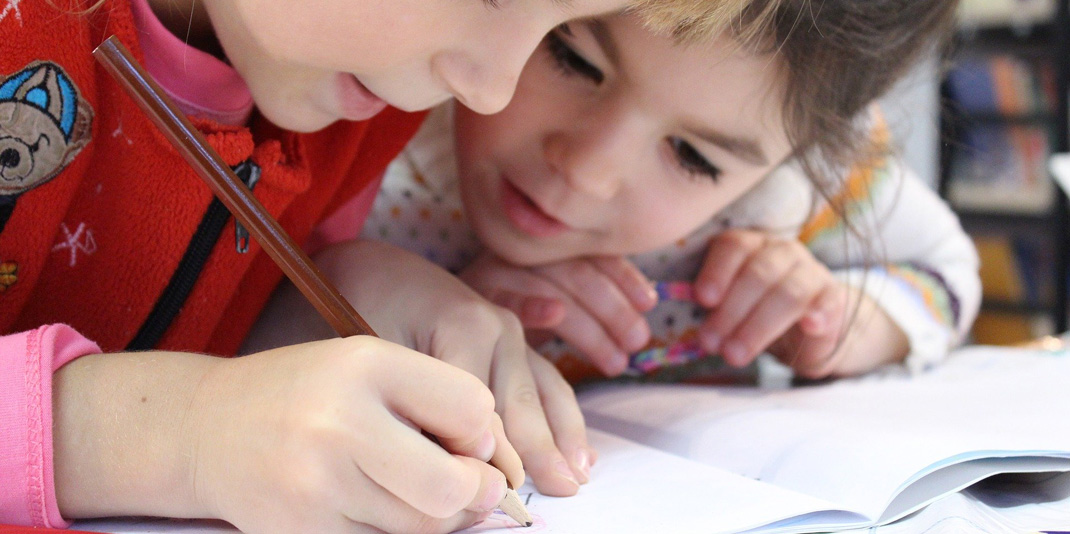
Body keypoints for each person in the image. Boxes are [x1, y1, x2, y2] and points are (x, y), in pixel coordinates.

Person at [0, 0, 759, 532]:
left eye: (556, 25)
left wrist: (336, 293)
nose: (489, 89)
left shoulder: (357, 102)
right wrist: (183, 436)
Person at [332, 0, 981, 385]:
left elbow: (947, 270)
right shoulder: (373, 109)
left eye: (694, 158)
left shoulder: (799, 188)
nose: (587, 172)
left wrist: (845, 321)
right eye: (573, 59)